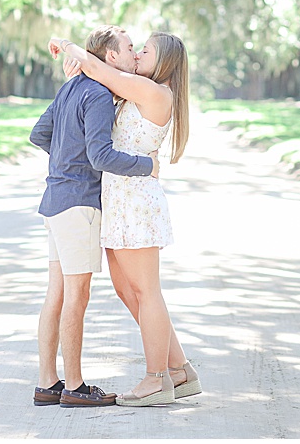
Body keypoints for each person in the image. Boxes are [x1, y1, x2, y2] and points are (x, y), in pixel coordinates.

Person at [47, 28, 201, 407]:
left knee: (147, 292)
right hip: (117, 201)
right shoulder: (136, 89)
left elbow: (104, 72)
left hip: (136, 203)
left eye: (144, 51)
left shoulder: (155, 91)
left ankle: (156, 379)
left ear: (162, 60)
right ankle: (180, 369)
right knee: (127, 291)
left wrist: (67, 46)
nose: (138, 55)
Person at [29, 25, 160, 408]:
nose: (134, 55)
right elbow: (102, 157)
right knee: (77, 296)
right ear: (111, 57)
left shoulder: (71, 86)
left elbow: (40, 134)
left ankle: (47, 383)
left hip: (54, 200)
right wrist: (146, 165)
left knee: (56, 294)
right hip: (79, 204)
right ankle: (74, 386)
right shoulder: (100, 93)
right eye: (130, 48)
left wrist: (65, 159)